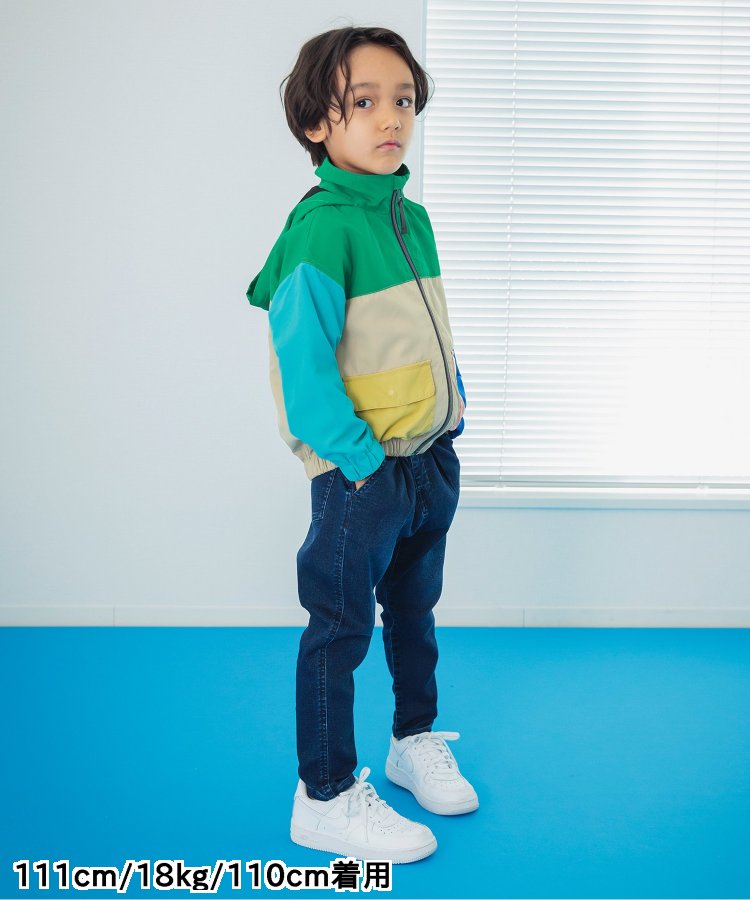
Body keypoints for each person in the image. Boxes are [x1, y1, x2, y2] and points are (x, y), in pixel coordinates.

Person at [246, 25, 477, 864]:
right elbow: (303, 368)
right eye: (366, 102)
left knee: (415, 612)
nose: (392, 118)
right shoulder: (321, 231)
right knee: (339, 629)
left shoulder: (410, 217)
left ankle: (413, 740)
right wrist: (360, 461)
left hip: (429, 460)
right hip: (363, 475)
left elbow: (425, 329)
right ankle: (325, 796)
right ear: (318, 123)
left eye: (404, 100)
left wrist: (455, 406)